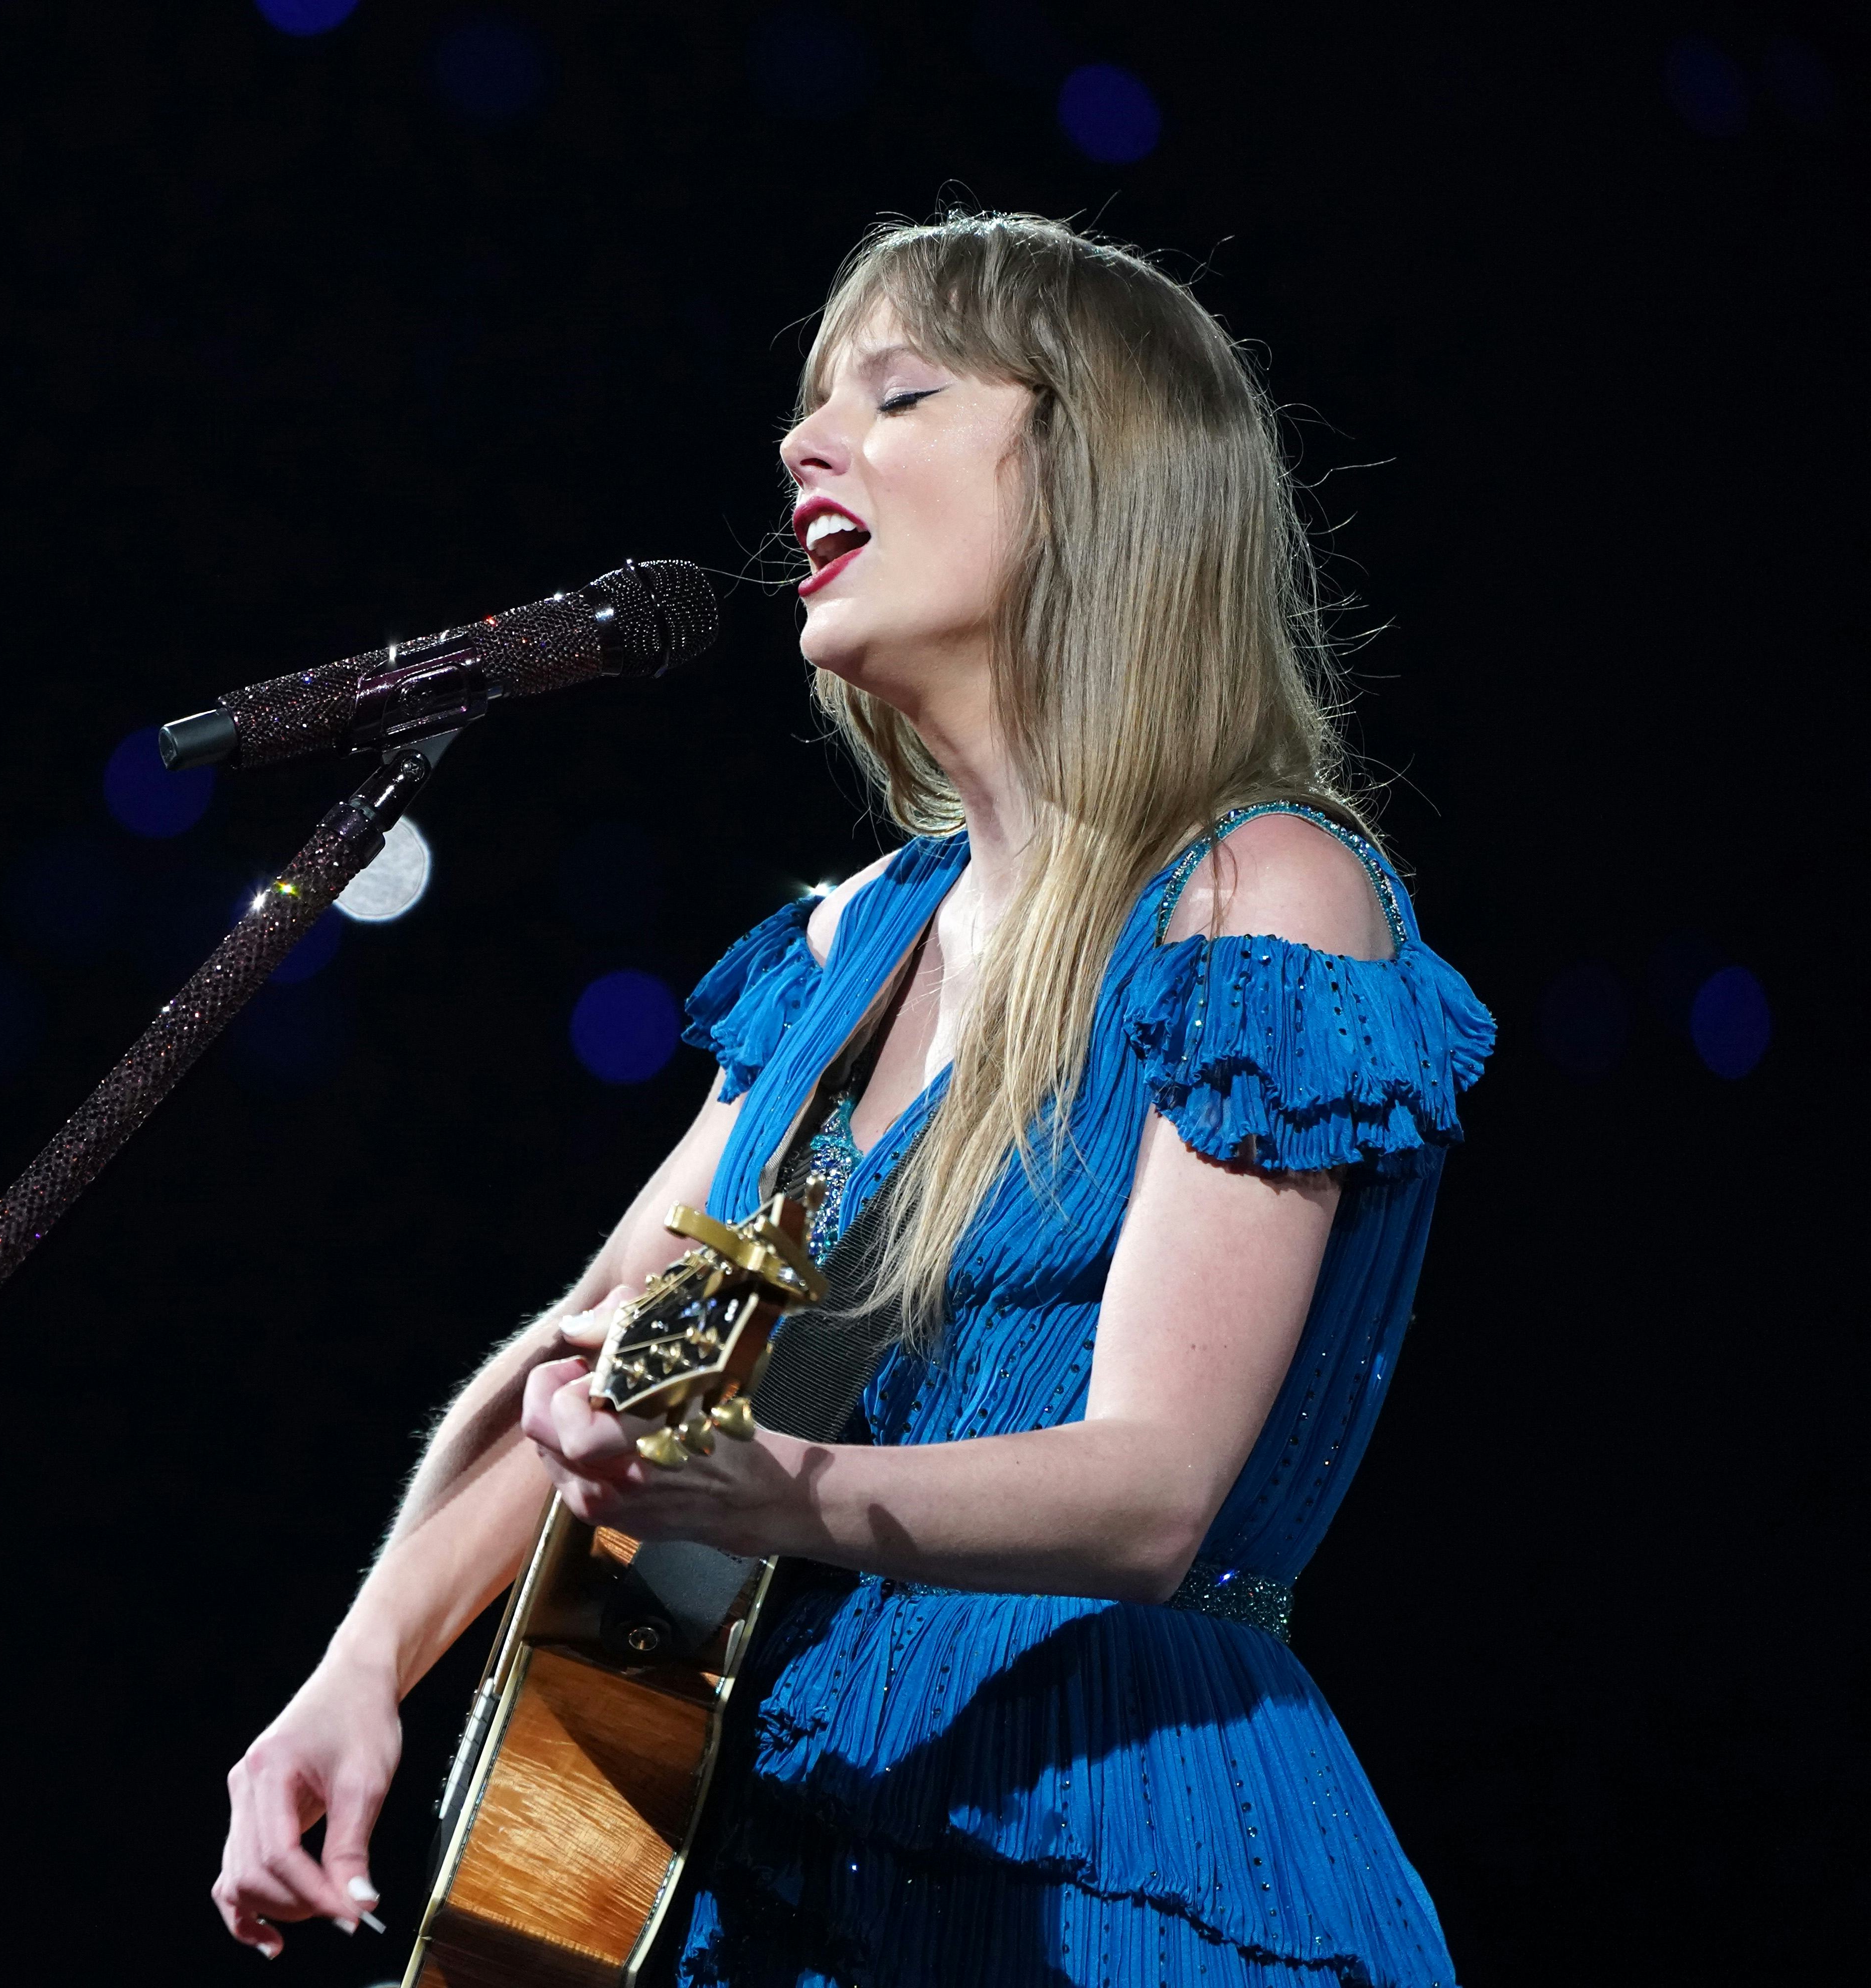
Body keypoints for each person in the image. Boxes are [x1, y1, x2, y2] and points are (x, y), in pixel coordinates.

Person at [213, 212, 1491, 1986]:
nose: (807, 446)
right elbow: (595, 1343)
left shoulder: (1261, 900)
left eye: (899, 394)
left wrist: (768, 1486)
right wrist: (360, 1671)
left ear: (1099, 471)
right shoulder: (848, 946)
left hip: (1102, 1838)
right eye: (814, 404)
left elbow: (1152, 1490)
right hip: (782, 1835)